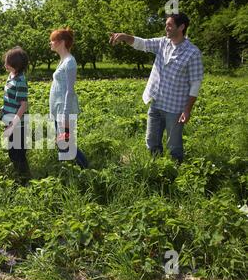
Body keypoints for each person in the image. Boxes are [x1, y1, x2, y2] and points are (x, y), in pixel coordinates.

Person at [109, 13, 204, 163]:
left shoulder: (192, 53)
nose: (166, 27)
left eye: (170, 25)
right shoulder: (162, 43)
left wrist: (187, 109)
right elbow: (143, 44)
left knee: (174, 145)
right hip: (157, 103)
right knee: (151, 140)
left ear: (181, 27)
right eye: (166, 24)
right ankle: (155, 167)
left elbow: (195, 83)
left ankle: (176, 172)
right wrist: (125, 37)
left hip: (175, 107)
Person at [49, 28, 89, 169]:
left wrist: (65, 115)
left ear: (62, 42)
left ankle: (86, 169)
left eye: (53, 40)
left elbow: (70, 91)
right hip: (58, 108)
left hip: (64, 109)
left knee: (66, 142)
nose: (51, 43)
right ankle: (67, 171)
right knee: (62, 142)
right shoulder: (63, 60)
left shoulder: (70, 62)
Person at [1, 47, 31, 179]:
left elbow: (23, 105)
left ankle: (24, 179)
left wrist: (12, 125)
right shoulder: (11, 75)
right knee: (12, 151)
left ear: (16, 65)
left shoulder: (20, 81)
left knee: (18, 153)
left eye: (8, 63)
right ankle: (20, 176)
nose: (5, 65)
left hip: (18, 124)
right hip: (10, 120)